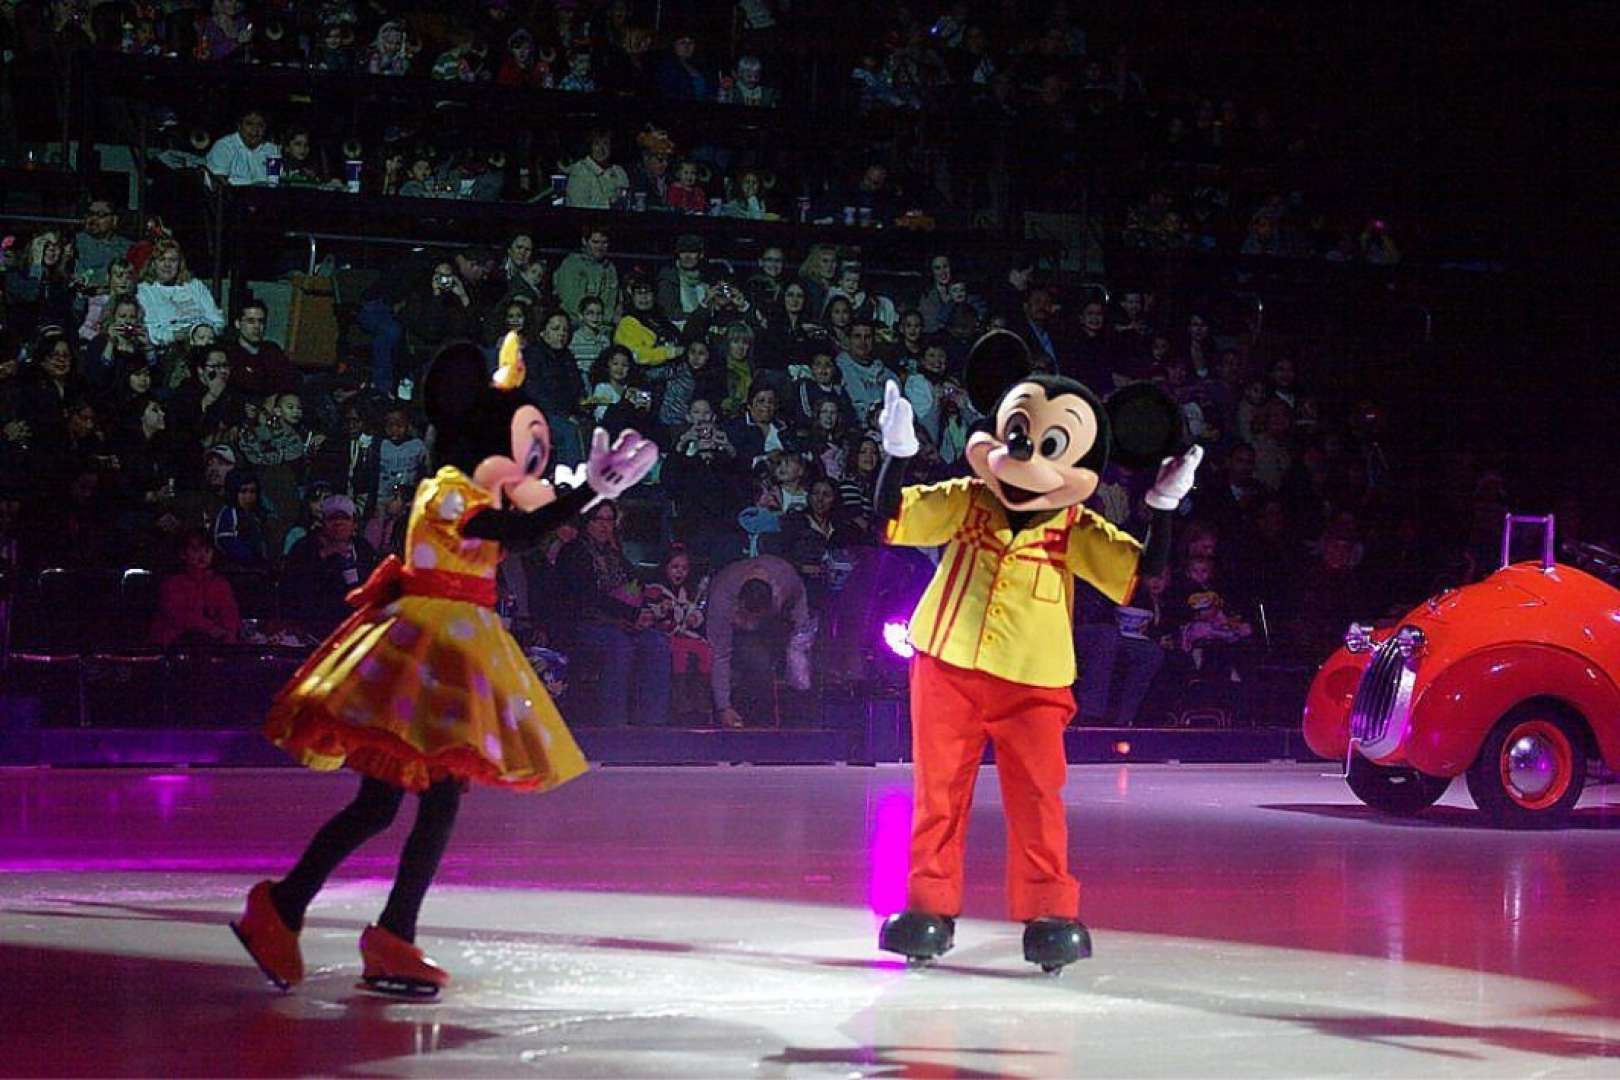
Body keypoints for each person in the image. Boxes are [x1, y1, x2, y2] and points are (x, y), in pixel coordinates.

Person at [234, 338, 657, 996]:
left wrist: (581, 497)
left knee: (394, 804)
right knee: (422, 802)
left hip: (448, 646)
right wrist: (587, 496)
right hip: (429, 652)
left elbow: (519, 524)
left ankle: (309, 914)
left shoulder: (467, 494)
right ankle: (362, 929)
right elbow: (513, 533)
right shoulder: (450, 495)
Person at [871, 333, 1203, 973]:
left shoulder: (1075, 528)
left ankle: (1051, 912)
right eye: (1017, 438)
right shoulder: (968, 499)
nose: (1024, 460)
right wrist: (897, 455)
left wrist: (1162, 507)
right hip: (947, 660)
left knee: (1039, 800)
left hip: (1034, 678)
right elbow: (892, 521)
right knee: (937, 793)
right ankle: (928, 907)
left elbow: (1140, 574)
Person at [553, 499, 672, 727]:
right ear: (588, 522)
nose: (604, 526)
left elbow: (634, 582)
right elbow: (587, 597)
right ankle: (614, 724)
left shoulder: (614, 554)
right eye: (599, 519)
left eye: (609, 520)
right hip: (583, 624)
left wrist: (649, 608)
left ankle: (653, 723)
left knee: (656, 642)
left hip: (619, 621)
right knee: (619, 645)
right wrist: (628, 614)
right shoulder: (574, 552)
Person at [704, 554, 814, 728]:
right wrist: (723, 707)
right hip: (733, 631)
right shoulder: (722, 597)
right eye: (748, 617)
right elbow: (720, 654)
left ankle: (780, 723)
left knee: (786, 665)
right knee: (757, 660)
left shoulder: (786, 579)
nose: (751, 623)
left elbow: (801, 617)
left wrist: (799, 655)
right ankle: (746, 720)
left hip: (778, 627)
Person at [150, 527, 241, 648]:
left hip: (215, 647)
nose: (203, 555)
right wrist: (210, 629)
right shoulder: (172, 584)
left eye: (207, 550)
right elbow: (178, 616)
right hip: (175, 648)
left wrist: (228, 636)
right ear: (183, 554)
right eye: (196, 550)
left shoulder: (221, 584)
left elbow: (230, 614)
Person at [136, 240, 226, 348]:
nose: (167, 265)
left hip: (206, 341)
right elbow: (153, 333)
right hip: (172, 349)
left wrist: (202, 331)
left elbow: (218, 320)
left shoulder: (194, 285)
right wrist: (187, 333)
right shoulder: (145, 290)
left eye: (172, 260)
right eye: (162, 259)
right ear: (153, 263)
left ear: (180, 264)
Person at [205, 109, 279, 186]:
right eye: (249, 124)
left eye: (260, 125)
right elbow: (217, 180)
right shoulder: (224, 146)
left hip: (266, 196)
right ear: (239, 126)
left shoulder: (272, 150)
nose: (255, 129)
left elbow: (274, 183)